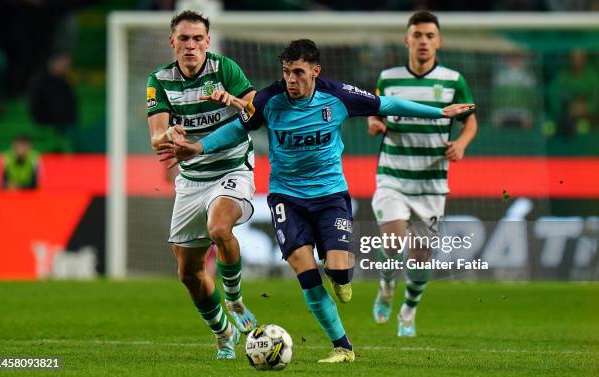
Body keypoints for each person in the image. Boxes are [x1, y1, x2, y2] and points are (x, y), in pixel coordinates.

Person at [158, 39, 473, 363]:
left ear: (315, 72)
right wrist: (198, 148)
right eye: (286, 72)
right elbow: (237, 130)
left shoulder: (337, 96)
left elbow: (388, 105)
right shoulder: (269, 100)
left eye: (298, 73)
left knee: (339, 271)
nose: (291, 80)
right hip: (287, 198)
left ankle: (340, 278)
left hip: (330, 196)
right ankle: (343, 347)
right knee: (305, 271)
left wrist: (439, 112)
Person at [146, 10, 258, 360]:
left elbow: (255, 113)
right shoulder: (159, 79)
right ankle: (224, 333)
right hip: (192, 180)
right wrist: (170, 134)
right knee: (188, 273)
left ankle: (236, 300)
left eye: (197, 38)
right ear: (172, 42)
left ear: (207, 42)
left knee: (219, 227)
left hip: (232, 169)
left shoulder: (225, 69)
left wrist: (235, 101)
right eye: (184, 38)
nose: (191, 45)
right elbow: (156, 137)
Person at [366, 11, 477, 337]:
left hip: (431, 183)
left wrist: (462, 143)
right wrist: (373, 123)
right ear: (407, 40)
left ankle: (408, 309)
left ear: (438, 41)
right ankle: (386, 288)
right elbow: (375, 113)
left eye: (430, 36)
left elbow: (470, 119)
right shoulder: (388, 78)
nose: (424, 41)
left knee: (420, 254)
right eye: (418, 35)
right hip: (393, 176)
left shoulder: (453, 80)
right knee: (392, 239)